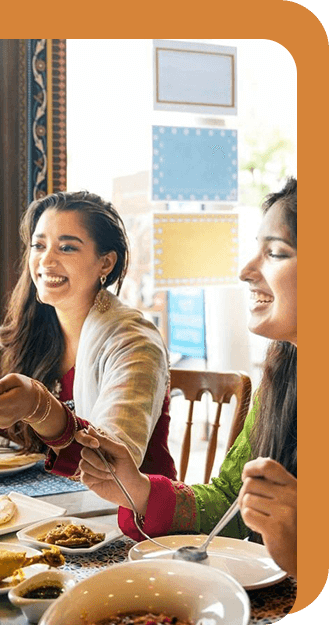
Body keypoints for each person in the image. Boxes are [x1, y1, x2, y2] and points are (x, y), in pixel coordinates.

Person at [75, 178, 297, 580]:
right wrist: (138, 488)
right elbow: (231, 501)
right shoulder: (283, 376)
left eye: (276, 253)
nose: (247, 271)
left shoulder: (129, 336)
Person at [0, 191, 176, 479]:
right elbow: (21, 432)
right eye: (39, 245)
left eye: (67, 248)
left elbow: (111, 461)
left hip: (130, 512)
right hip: (60, 498)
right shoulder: (39, 327)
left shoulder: (133, 341)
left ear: (106, 263)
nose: (46, 260)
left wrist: (39, 408)